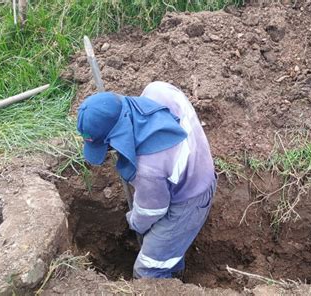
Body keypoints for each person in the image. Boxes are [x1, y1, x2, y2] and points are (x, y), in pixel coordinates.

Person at [76, 81, 216, 279]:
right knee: (164, 251)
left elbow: (152, 211)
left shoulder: (147, 168)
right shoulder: (158, 90)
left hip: (190, 199)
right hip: (199, 165)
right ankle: (173, 265)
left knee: (148, 271)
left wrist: (133, 221)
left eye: (109, 147)